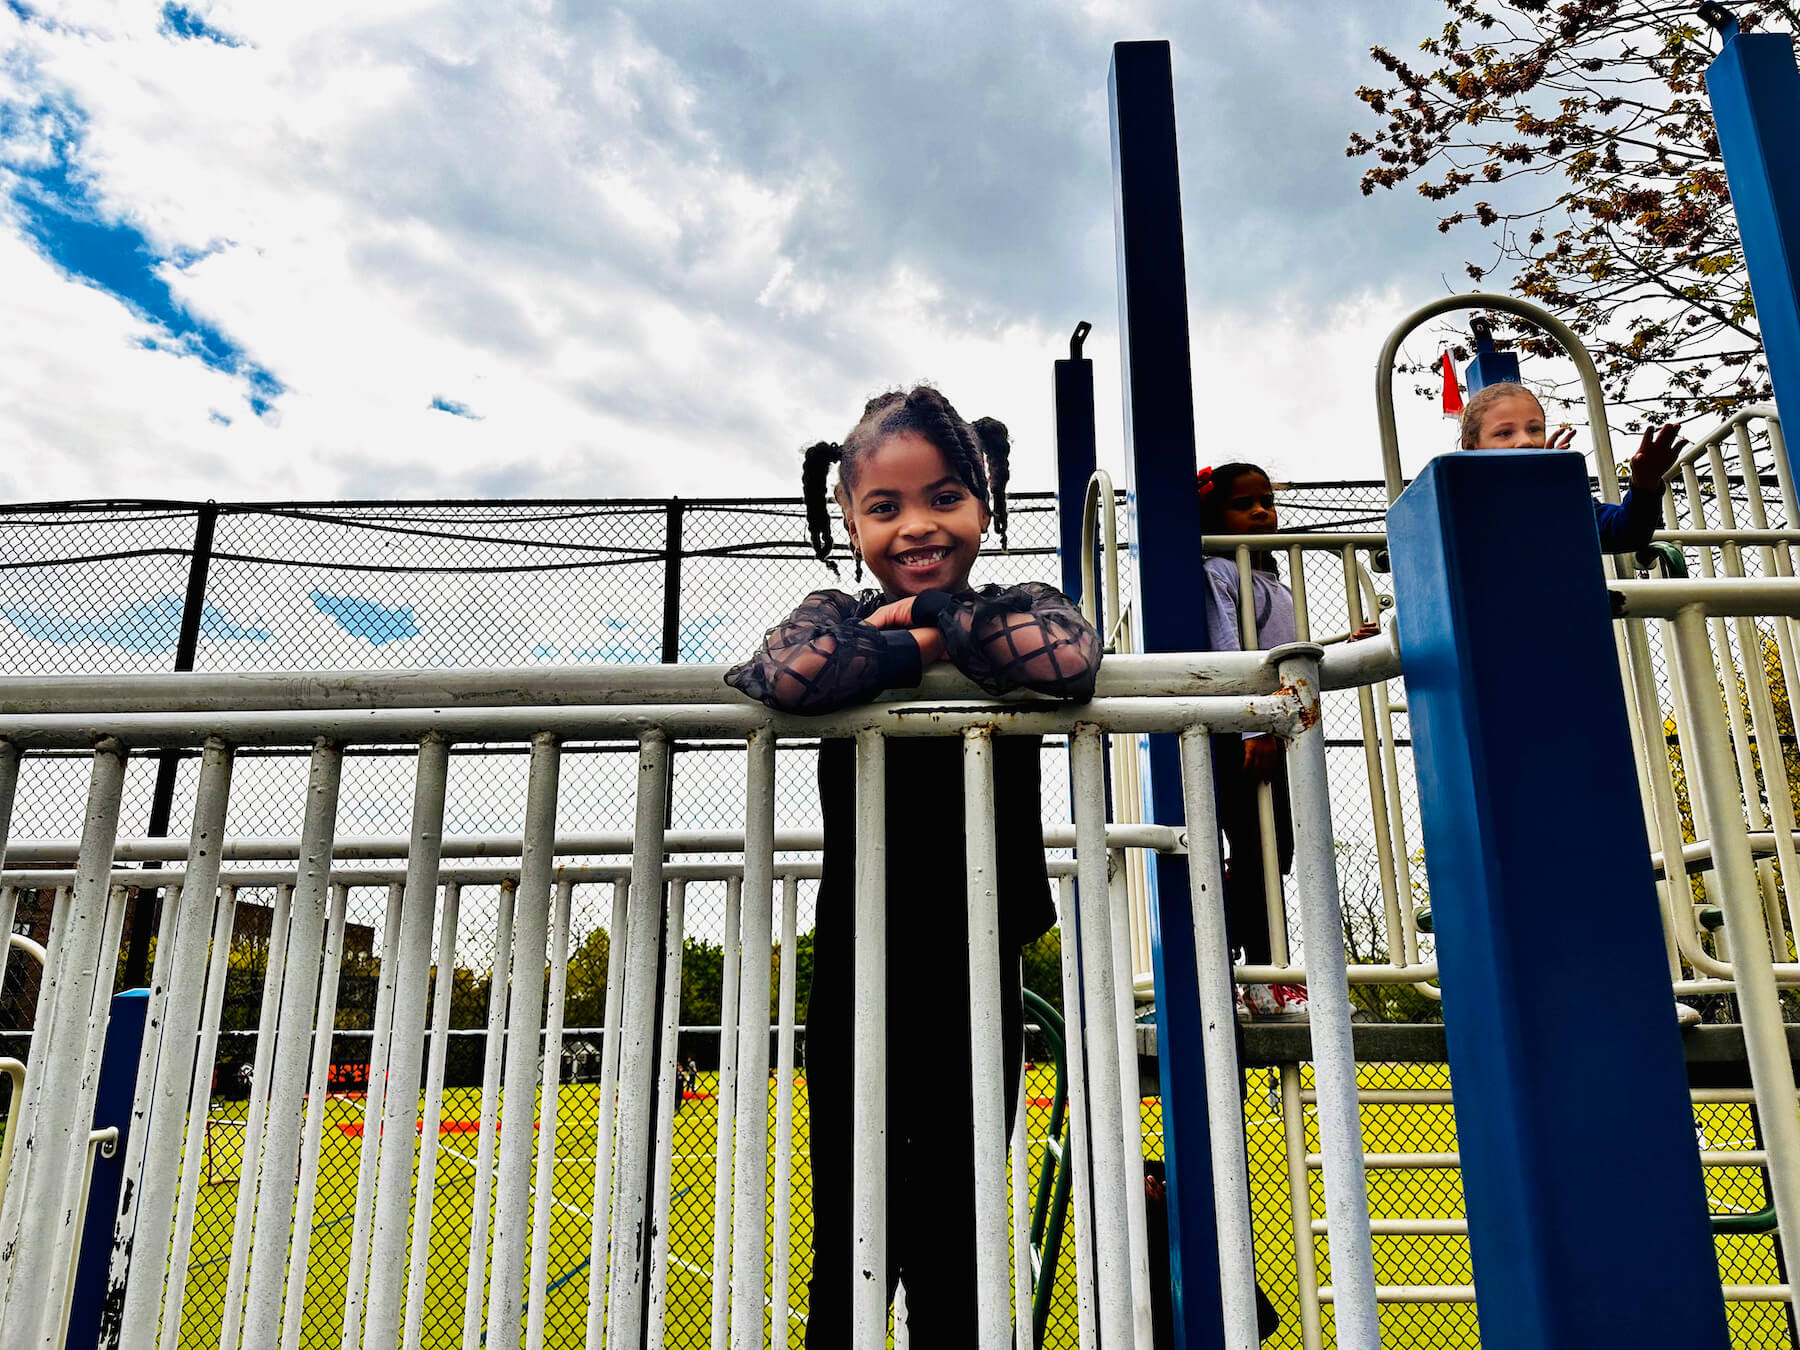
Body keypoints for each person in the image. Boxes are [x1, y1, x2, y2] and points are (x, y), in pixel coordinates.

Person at [725, 384, 1101, 1346]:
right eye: (884, 507)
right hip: (862, 960)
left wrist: (928, 628)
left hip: (977, 966)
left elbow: (1061, 660)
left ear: (987, 505)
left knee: (957, 1230)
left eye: (944, 499)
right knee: (851, 1229)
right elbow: (792, 673)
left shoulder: (1019, 602)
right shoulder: (834, 610)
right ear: (846, 517)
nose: (917, 525)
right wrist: (923, 654)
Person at [1199, 461, 1375, 1021]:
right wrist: (1253, 724)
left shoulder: (1275, 580)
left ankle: (1263, 973)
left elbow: (1293, 654)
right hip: (1244, 732)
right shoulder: (1218, 572)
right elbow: (1229, 649)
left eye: (1266, 501)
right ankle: (1245, 975)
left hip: (1279, 732)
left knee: (1276, 855)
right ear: (1214, 515)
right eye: (1242, 504)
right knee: (1246, 852)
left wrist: (1343, 644)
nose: (1260, 512)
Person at [1459, 382, 1686, 554]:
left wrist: (1644, 485)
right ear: (1472, 447)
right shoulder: (1460, 503)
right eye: (1505, 433)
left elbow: (1626, 533)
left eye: (1534, 429)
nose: (1526, 441)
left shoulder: (1563, 495)